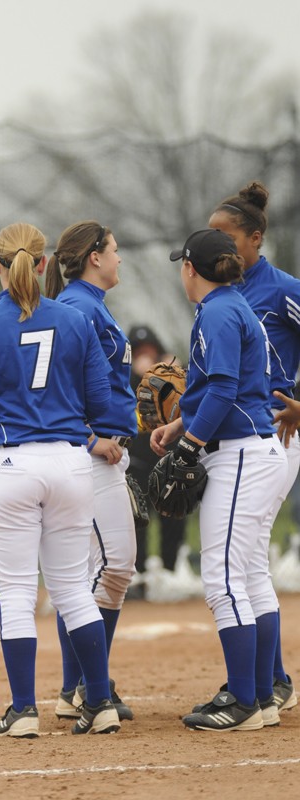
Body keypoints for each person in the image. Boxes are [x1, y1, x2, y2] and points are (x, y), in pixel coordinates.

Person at [0, 222, 121, 738]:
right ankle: (99, 703)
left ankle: (22, 712)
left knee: (17, 593)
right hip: (68, 462)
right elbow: (102, 409)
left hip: (10, 466)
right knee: (74, 591)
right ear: (43, 265)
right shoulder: (76, 321)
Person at [151, 228, 287, 731]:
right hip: (251, 449)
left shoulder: (219, 312)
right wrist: (181, 425)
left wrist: (189, 446)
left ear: (191, 268)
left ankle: (245, 702)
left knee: (223, 579)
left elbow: (227, 387)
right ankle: (260, 696)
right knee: (249, 575)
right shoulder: (232, 305)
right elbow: (221, 387)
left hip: (241, 455)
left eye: (181, 265)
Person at [209, 180, 299, 713]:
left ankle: (264, 685)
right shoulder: (222, 292)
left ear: (256, 238)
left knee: (241, 563)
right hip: (236, 437)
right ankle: (272, 680)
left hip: (274, 435)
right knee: (247, 561)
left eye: (228, 236)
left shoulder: (282, 288)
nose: (221, 246)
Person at [45, 221, 136, 722]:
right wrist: (88, 438)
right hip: (88, 455)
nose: (119, 258)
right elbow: (53, 389)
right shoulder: (79, 307)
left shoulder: (88, 304)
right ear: (94, 257)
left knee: (98, 572)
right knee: (112, 567)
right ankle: (84, 685)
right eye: (115, 250)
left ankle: (75, 685)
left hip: (105, 452)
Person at [126, 324, 186, 589]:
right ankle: (137, 575)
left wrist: (162, 372)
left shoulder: (170, 372)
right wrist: (135, 374)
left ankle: (170, 572)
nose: (145, 355)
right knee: (136, 518)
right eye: (139, 350)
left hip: (167, 459)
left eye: (149, 349)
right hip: (137, 460)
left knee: (172, 516)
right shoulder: (124, 376)